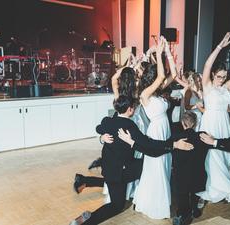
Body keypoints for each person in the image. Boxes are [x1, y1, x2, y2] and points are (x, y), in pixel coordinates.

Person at [69, 96, 193, 225]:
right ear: (130, 109)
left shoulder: (107, 121)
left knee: (117, 182)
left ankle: (84, 182)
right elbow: (149, 143)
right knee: (119, 203)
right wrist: (173, 145)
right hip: (122, 172)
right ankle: (88, 220)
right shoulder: (129, 125)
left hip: (109, 170)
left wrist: (102, 136)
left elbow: (98, 128)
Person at [119, 111, 208, 225]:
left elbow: (155, 150)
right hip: (198, 176)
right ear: (195, 123)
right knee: (195, 191)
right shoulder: (202, 136)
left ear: (182, 123)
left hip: (182, 178)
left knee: (183, 195)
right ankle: (195, 209)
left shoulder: (175, 138)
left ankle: (183, 214)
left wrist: (132, 142)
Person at [132, 36, 178, 219]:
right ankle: (155, 203)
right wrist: (158, 54)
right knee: (157, 166)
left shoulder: (157, 93)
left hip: (164, 130)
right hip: (156, 131)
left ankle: (158, 198)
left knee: (164, 166)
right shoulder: (145, 94)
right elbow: (161, 76)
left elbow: (173, 75)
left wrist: (167, 51)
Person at [196, 32, 230, 203]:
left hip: (223, 124)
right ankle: (210, 188)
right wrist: (219, 47)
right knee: (210, 156)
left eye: (224, 76)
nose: (222, 79)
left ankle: (220, 187)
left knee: (222, 155)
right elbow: (207, 65)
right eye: (219, 76)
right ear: (213, 74)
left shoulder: (226, 88)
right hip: (209, 123)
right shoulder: (207, 86)